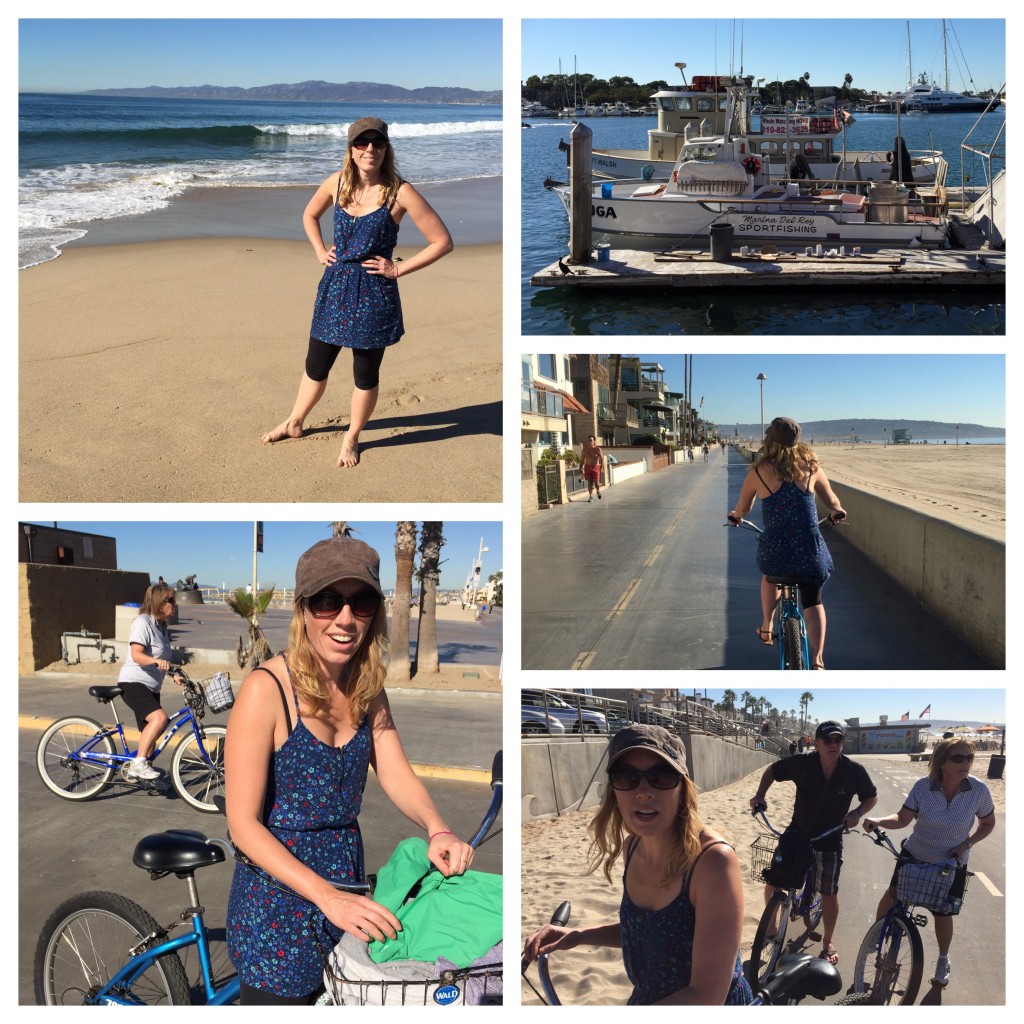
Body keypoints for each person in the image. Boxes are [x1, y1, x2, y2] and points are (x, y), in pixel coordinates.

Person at [225, 537, 474, 1004]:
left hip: (348, 892)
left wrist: (438, 829)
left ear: (374, 613)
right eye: (327, 602)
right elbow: (242, 825)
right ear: (303, 611)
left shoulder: (367, 688)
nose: (344, 619)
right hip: (279, 905)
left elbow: (395, 771)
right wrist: (326, 897)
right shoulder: (266, 691)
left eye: (359, 602)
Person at [261, 117, 453, 468]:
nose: (370, 150)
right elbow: (309, 214)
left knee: (364, 374)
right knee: (315, 365)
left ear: (386, 149)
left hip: (374, 294)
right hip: (335, 288)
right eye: (362, 143)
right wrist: (320, 250)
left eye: (377, 143)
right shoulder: (337, 183)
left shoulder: (400, 192)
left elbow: (442, 242)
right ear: (350, 149)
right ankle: (294, 421)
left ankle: (352, 438)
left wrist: (397, 269)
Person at [523, 725, 753, 1004]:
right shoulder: (632, 848)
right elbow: (648, 934)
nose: (643, 791)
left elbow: (706, 996)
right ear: (613, 792)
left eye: (661, 776)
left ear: (682, 788)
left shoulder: (712, 863)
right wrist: (578, 935)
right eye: (626, 777)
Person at [863, 738, 995, 988]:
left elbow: (988, 824)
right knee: (891, 898)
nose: (965, 763)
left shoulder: (978, 791)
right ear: (942, 762)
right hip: (915, 854)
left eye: (969, 758)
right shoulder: (924, 787)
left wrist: (965, 845)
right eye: (958, 758)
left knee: (943, 914)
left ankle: (943, 959)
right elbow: (902, 819)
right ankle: (876, 936)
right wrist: (878, 820)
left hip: (951, 863)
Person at [749, 721, 877, 966]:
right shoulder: (802, 764)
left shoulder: (853, 771)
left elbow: (871, 796)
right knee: (773, 881)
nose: (834, 745)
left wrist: (858, 813)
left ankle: (828, 941)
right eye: (828, 740)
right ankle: (771, 927)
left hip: (830, 837)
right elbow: (772, 771)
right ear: (816, 743)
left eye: (838, 740)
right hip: (797, 833)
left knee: (829, 893)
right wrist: (760, 795)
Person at [727, 416, 846, 669]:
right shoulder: (812, 468)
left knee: (770, 574)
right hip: (810, 553)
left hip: (776, 550)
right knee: (813, 599)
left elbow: (743, 508)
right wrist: (837, 511)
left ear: (769, 439)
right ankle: (817, 661)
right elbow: (832, 500)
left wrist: (736, 517)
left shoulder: (758, 471)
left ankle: (767, 627)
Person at [116, 584, 182, 780]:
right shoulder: (143, 622)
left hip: (151, 685)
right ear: (159, 603)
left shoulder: (162, 627)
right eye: (170, 600)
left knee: (150, 734)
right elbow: (137, 655)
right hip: (133, 682)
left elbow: (160, 661)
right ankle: (138, 764)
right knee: (160, 719)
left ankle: (146, 775)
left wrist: (173, 674)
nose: (174, 604)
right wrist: (155, 661)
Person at [580, 435, 603, 502]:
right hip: (587, 467)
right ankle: (591, 496)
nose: (589, 442)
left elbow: (601, 459)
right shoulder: (584, 449)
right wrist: (580, 468)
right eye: (588, 440)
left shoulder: (598, 449)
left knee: (596, 483)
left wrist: (602, 468)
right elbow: (582, 460)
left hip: (595, 467)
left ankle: (598, 491)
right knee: (589, 482)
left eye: (591, 440)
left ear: (594, 441)